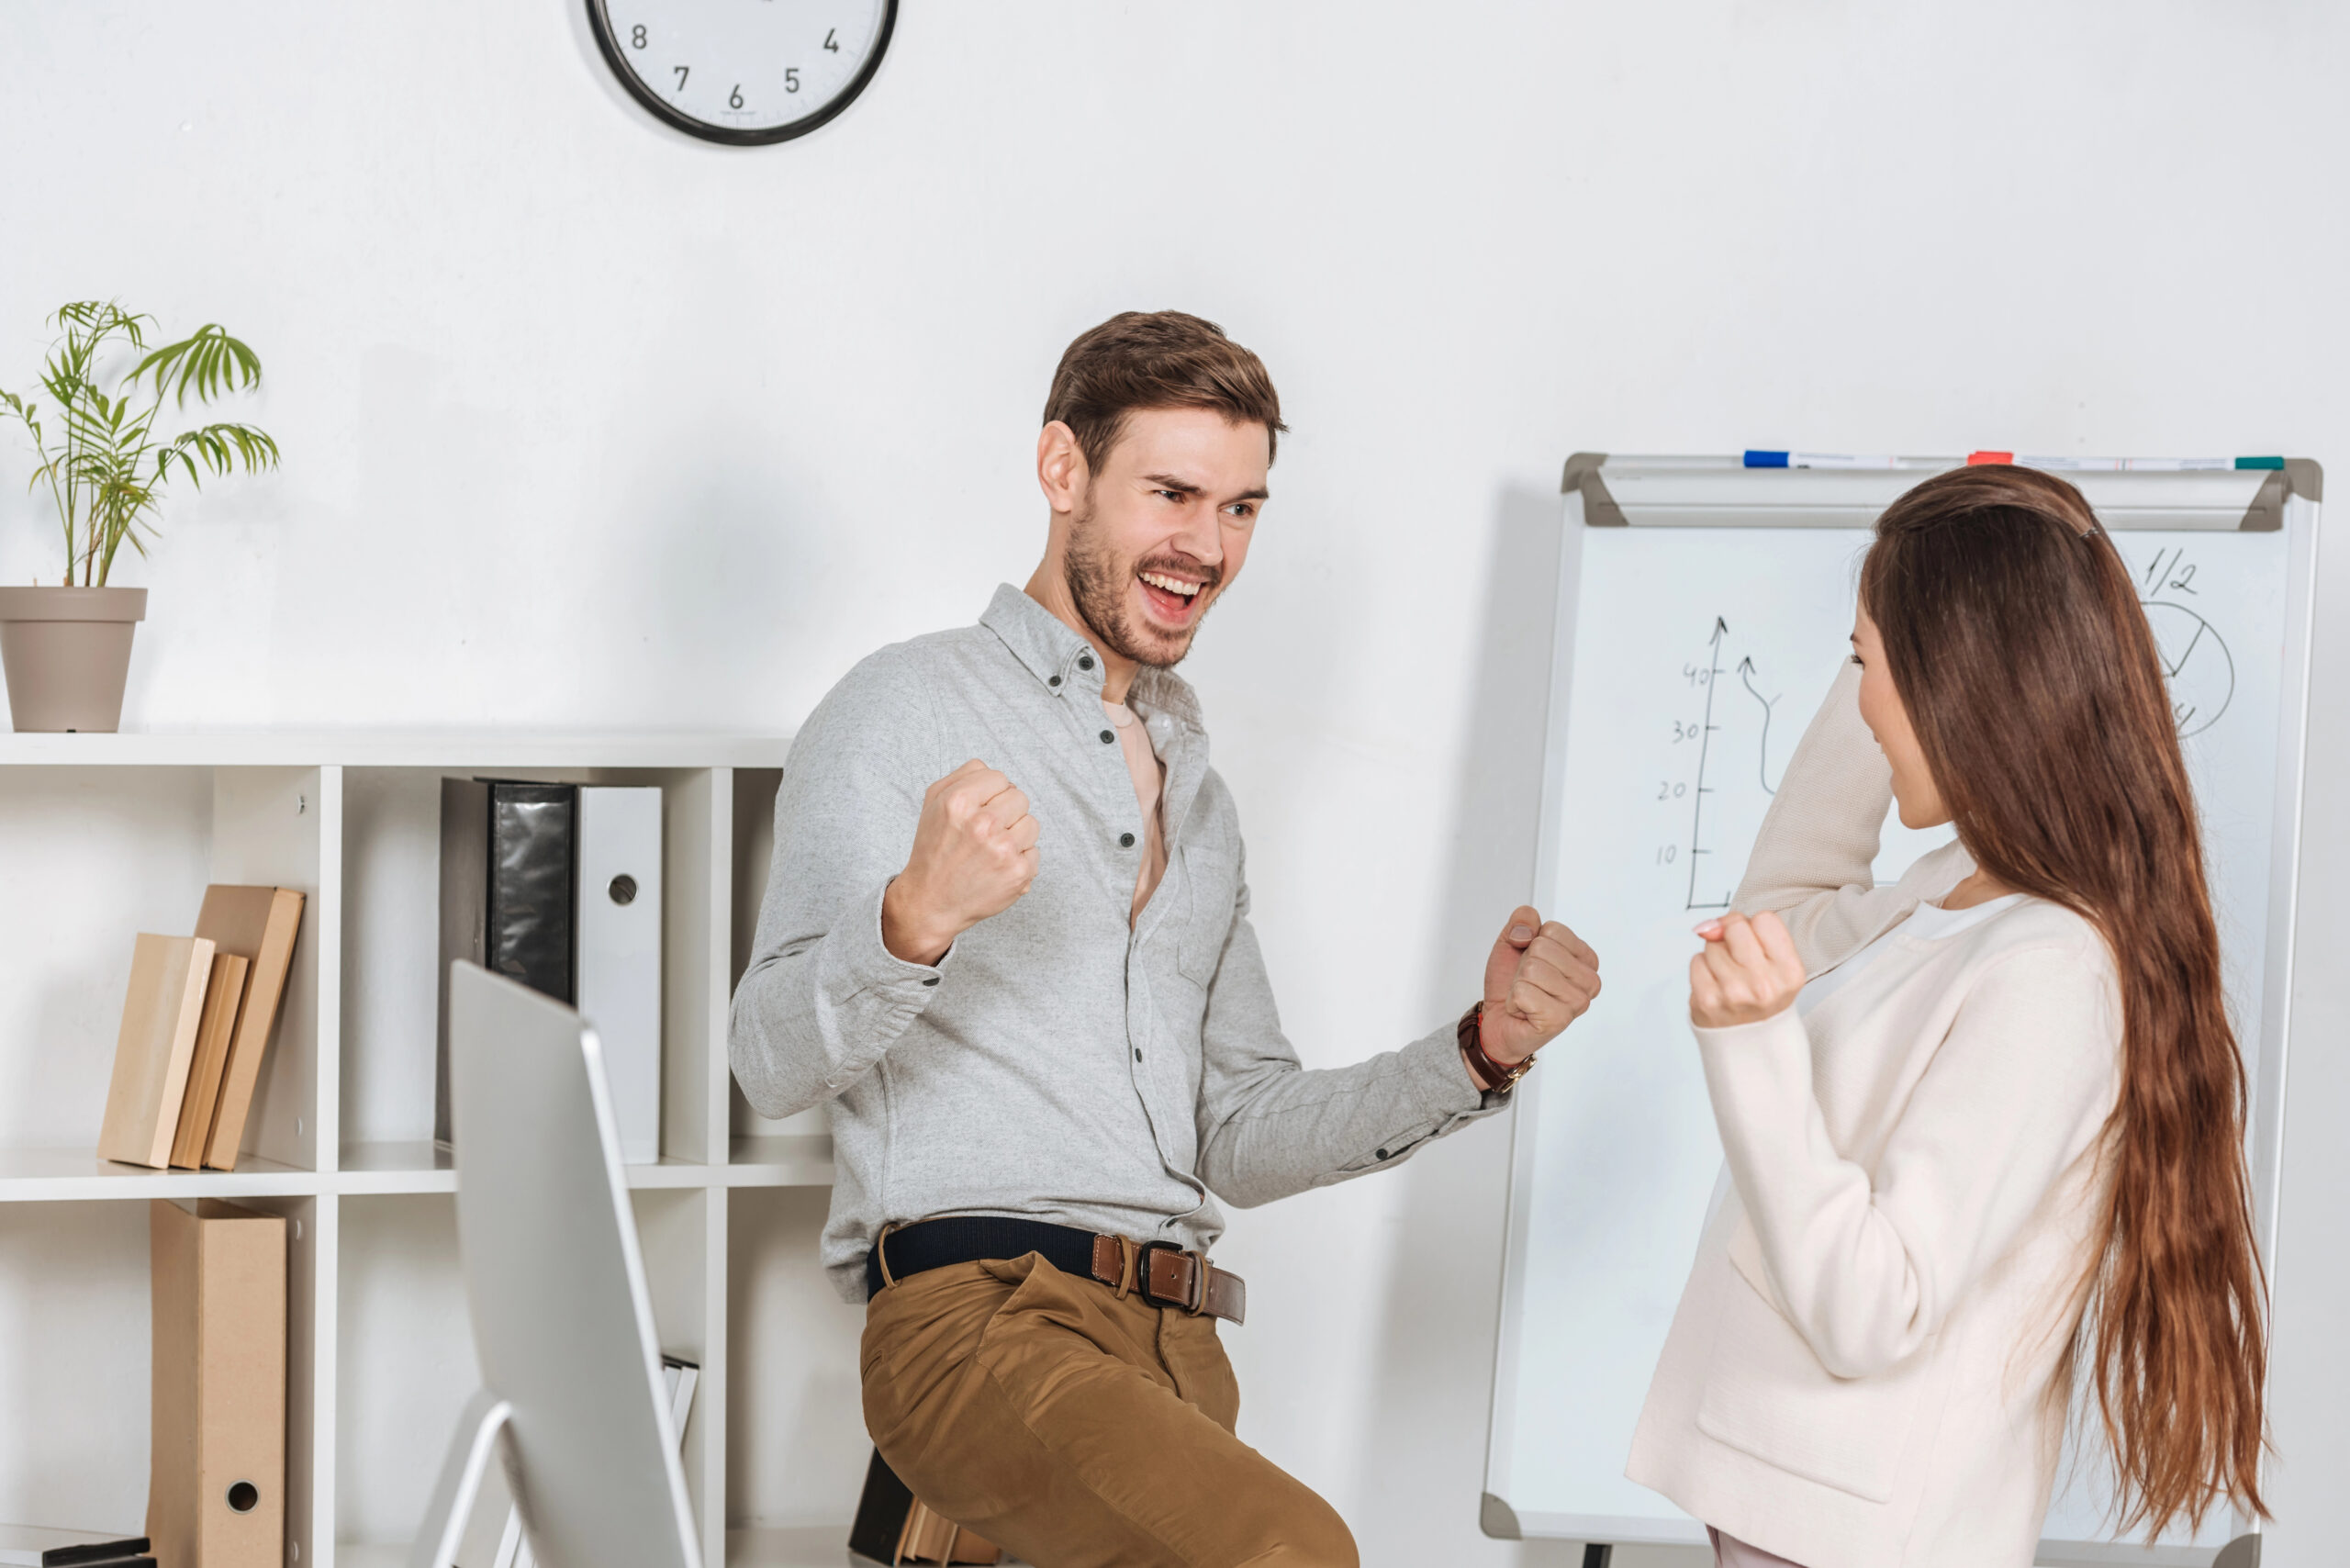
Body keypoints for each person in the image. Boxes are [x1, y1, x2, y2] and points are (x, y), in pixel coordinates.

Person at [730, 309, 1602, 1568]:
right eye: (1173, 493)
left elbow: (1236, 1129)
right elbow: (766, 1062)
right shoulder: (904, 707)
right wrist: (912, 919)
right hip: (981, 1322)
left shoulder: (1198, 792)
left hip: (1178, 1350)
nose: (1208, 545)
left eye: (1241, 507)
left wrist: (1479, 1050)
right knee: (1292, 1553)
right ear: (1063, 470)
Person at [1627, 465, 2268, 1568]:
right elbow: (1782, 910)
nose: (1860, 702)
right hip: (1785, 1513)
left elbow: (1875, 1305)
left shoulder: (2050, 969)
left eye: (1864, 665)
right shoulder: (1951, 891)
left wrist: (1754, 1049)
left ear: (1951, 682)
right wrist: (1896, 642)